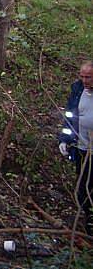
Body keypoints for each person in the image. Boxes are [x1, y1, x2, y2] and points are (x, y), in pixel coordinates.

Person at [59, 61, 93, 235]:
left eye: (89, 77)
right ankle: (88, 221)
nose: (85, 80)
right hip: (81, 148)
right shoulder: (77, 90)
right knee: (83, 186)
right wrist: (64, 140)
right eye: (82, 76)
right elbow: (70, 116)